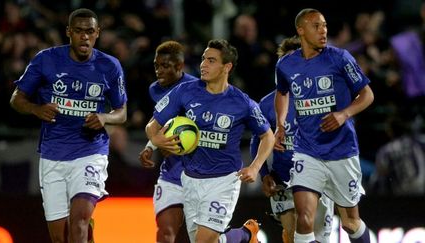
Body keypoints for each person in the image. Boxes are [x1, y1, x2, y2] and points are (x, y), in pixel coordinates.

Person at [9, 8, 127, 243]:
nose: (85, 37)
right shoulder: (46, 60)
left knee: (79, 221)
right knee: (59, 237)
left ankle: (85, 229)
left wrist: (104, 118)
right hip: (53, 154)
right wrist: (36, 109)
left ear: (97, 34)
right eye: (79, 31)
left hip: (90, 152)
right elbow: (16, 99)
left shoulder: (109, 66)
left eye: (90, 32)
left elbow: (121, 113)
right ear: (69, 33)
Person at [145, 39, 275, 243]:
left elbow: (267, 135)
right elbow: (152, 126)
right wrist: (156, 139)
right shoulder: (185, 91)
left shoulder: (242, 102)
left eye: (211, 60)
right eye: (204, 59)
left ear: (227, 67)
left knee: (203, 241)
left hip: (223, 182)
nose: (203, 65)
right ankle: (244, 235)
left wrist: (255, 167)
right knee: (207, 240)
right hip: (189, 179)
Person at [274, 8, 374, 243]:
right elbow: (282, 93)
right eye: (316, 26)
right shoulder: (286, 65)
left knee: (350, 223)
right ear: (301, 30)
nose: (323, 31)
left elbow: (367, 95)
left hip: (341, 150)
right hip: (307, 150)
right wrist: (280, 124)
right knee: (304, 219)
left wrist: (343, 114)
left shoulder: (340, 58)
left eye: (325, 26)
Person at [251, 36, 333, 243]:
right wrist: (263, 173)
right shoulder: (267, 104)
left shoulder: (323, 98)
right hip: (282, 179)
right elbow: (257, 139)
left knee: (318, 237)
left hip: (317, 178)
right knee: (291, 233)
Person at [138, 40, 199, 243]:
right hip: (172, 172)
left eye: (165, 66)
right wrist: (151, 145)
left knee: (205, 238)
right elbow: (159, 122)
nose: (158, 71)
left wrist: (182, 145)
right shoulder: (154, 90)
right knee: (165, 235)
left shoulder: (196, 88)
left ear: (179, 66)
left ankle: (242, 235)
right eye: (156, 65)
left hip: (199, 172)